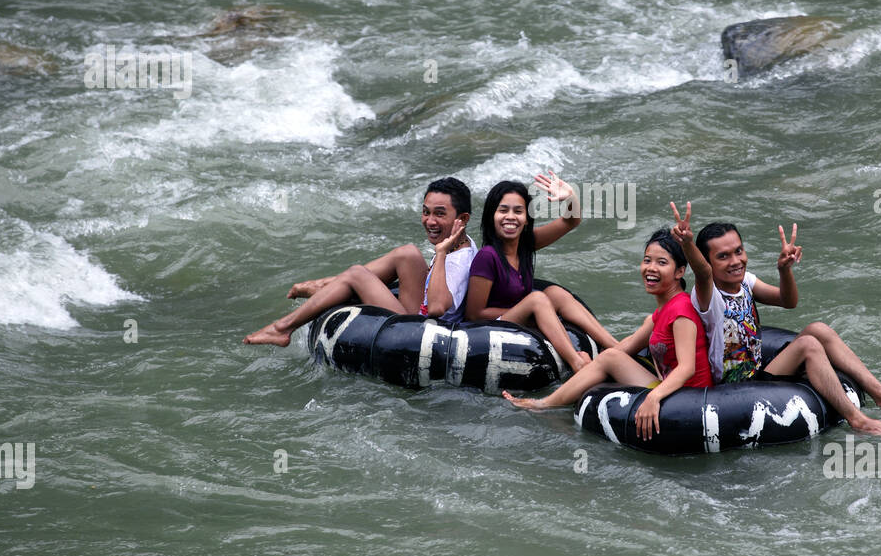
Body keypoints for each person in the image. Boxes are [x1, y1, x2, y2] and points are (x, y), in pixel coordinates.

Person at [669, 202, 881, 436]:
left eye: (739, 251)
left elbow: (788, 301)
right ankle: (858, 420)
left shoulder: (745, 283)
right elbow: (702, 272)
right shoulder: (708, 295)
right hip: (734, 389)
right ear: (708, 262)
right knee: (808, 345)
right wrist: (687, 243)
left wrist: (784, 270)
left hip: (759, 371)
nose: (736, 261)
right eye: (723, 256)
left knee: (818, 330)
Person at [503, 229, 712, 441]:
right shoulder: (660, 313)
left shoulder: (681, 311)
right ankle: (554, 400)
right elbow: (627, 346)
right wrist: (591, 364)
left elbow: (687, 368)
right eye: (647, 260)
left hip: (690, 402)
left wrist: (653, 397)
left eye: (662, 263)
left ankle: (544, 404)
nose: (651, 268)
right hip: (673, 392)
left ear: (679, 272)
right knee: (610, 357)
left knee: (611, 358)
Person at [242, 177, 476, 346]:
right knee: (407, 253)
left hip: (422, 330)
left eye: (440, 214)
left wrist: (442, 252)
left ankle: (282, 329)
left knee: (357, 274)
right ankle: (326, 285)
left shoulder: (456, 260)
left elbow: (436, 309)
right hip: (421, 311)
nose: (430, 221)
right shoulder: (463, 241)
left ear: (462, 219)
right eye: (426, 212)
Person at [464, 173, 619, 373]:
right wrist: (525, 311)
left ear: (527, 219)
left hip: (520, 315)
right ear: (491, 217)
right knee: (537, 299)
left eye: (518, 211)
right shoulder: (487, 256)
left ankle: (615, 346)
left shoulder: (525, 245)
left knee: (554, 292)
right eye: (503, 210)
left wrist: (570, 197)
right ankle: (577, 363)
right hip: (493, 327)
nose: (510, 217)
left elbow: (570, 222)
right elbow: (474, 314)